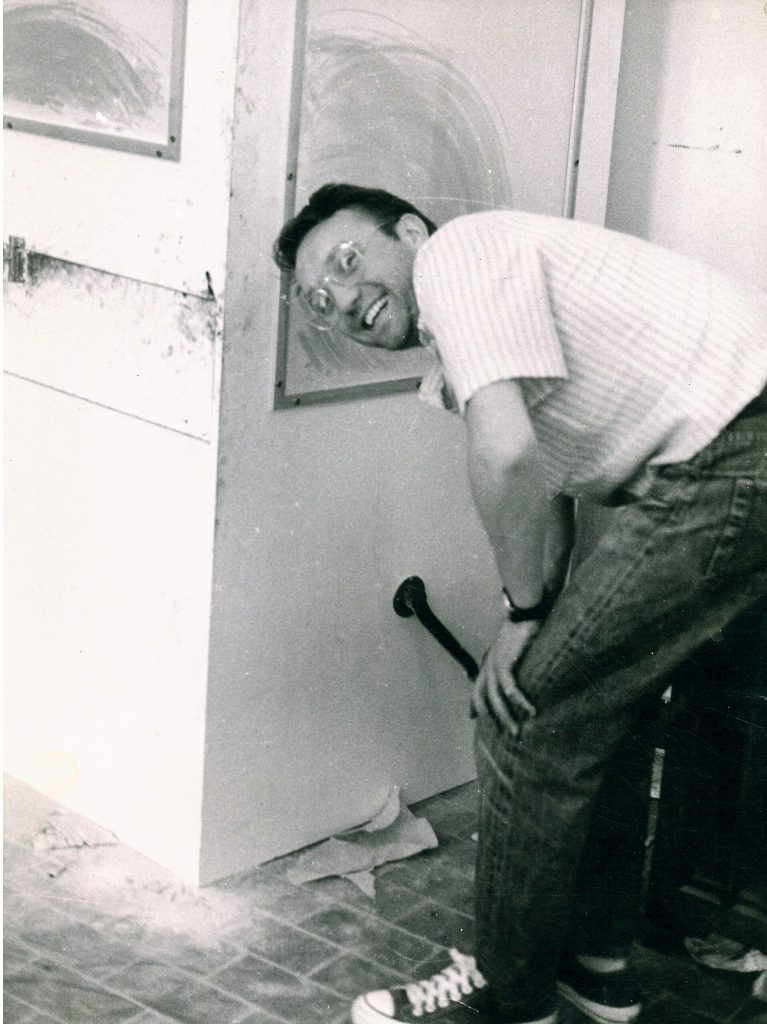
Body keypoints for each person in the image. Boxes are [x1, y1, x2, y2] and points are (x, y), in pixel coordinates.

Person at [273, 184, 767, 1024]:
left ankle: (510, 1000)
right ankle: (596, 971)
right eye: (319, 301)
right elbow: (551, 486)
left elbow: (505, 457)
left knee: (523, 717)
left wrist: (524, 616)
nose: (343, 300)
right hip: (729, 455)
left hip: (733, 452)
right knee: (599, 706)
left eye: (347, 261)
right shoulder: (464, 334)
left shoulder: (458, 256)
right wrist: (548, 612)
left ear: (409, 231)